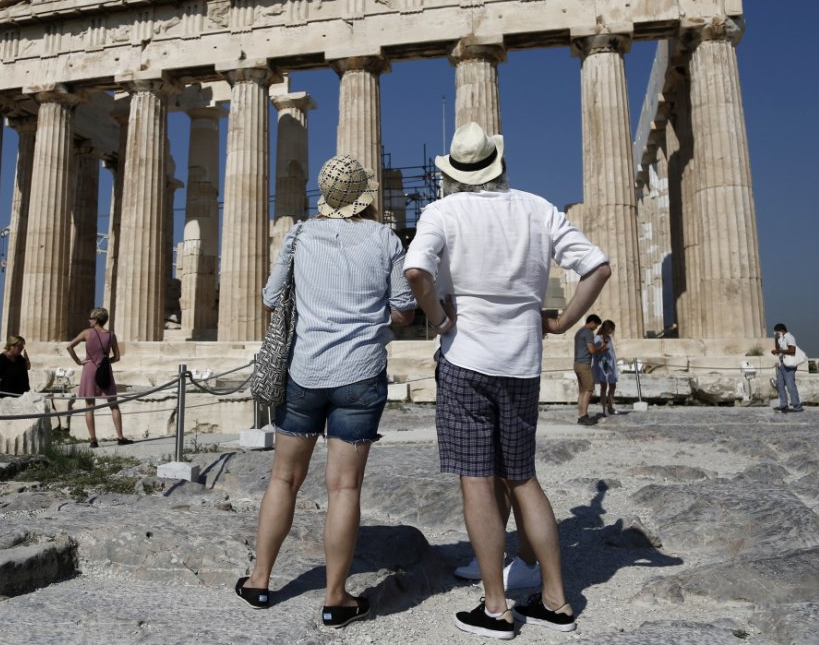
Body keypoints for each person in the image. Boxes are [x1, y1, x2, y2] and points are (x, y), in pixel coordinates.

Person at [404, 122, 610, 639]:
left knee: (476, 481)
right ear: (498, 165)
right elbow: (598, 268)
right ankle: (557, 601)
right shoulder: (537, 208)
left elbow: (415, 273)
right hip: (523, 362)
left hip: (466, 361)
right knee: (522, 478)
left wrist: (441, 319)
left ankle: (496, 608)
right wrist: (561, 323)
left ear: (454, 172)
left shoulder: (441, 211)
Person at [235, 155, 415, 629]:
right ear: (363, 197)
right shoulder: (385, 238)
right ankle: (336, 598)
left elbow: (271, 299)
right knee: (344, 488)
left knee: (283, 480)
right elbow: (402, 310)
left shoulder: (299, 235)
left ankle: (259, 580)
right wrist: (378, 318)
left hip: (305, 372)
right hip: (360, 374)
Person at [67, 308, 131, 446]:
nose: (89, 320)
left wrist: (79, 362)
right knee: (113, 404)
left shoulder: (87, 333)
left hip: (89, 368)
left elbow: (69, 346)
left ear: (95, 319)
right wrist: (106, 363)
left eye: (90, 318)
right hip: (105, 370)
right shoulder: (111, 335)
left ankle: (93, 440)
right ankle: (120, 437)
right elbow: (117, 357)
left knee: (89, 406)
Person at [573, 315, 602, 425]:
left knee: (582, 391)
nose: (595, 328)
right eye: (596, 325)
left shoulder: (579, 331)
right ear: (592, 323)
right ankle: (584, 416)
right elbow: (592, 350)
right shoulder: (588, 332)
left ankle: (580, 415)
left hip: (577, 364)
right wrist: (601, 348)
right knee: (589, 390)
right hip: (584, 364)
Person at [771, 322, 803, 412]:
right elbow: (778, 350)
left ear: (781, 330)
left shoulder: (790, 337)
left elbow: (792, 350)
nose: (776, 333)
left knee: (790, 386)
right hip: (782, 364)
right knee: (779, 385)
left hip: (789, 364)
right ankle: (783, 404)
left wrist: (781, 351)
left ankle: (797, 406)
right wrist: (776, 340)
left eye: (776, 332)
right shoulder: (782, 339)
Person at [0, 335, 31, 401]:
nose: (21, 348)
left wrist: (27, 360)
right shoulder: (2, 358)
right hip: (5, 395)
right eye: (19, 346)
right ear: (12, 346)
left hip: (21, 394)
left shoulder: (20, 358)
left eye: (22, 346)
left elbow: (27, 368)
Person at [590, 320, 618, 416]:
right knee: (604, 386)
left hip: (611, 364)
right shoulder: (598, 338)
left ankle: (610, 406)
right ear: (609, 328)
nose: (612, 331)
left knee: (613, 385)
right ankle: (604, 409)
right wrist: (602, 349)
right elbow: (595, 353)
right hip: (603, 364)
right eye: (612, 329)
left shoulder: (608, 338)